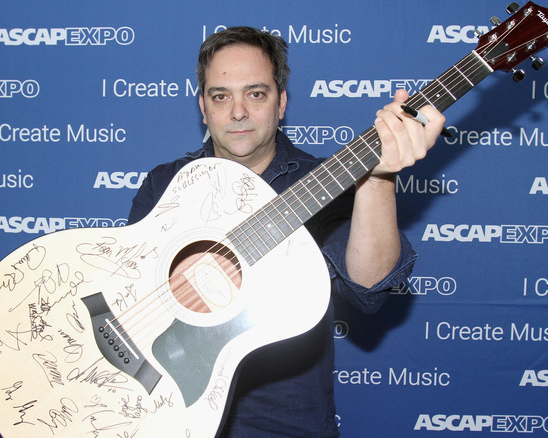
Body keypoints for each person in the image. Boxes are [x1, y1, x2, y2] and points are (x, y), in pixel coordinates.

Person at [128, 26, 445, 437]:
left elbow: (369, 287)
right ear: (203, 108)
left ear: (281, 104)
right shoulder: (166, 184)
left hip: (285, 423)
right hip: (166, 415)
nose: (237, 111)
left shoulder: (327, 182)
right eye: (220, 96)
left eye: (256, 93)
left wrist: (378, 178)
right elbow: (127, 297)